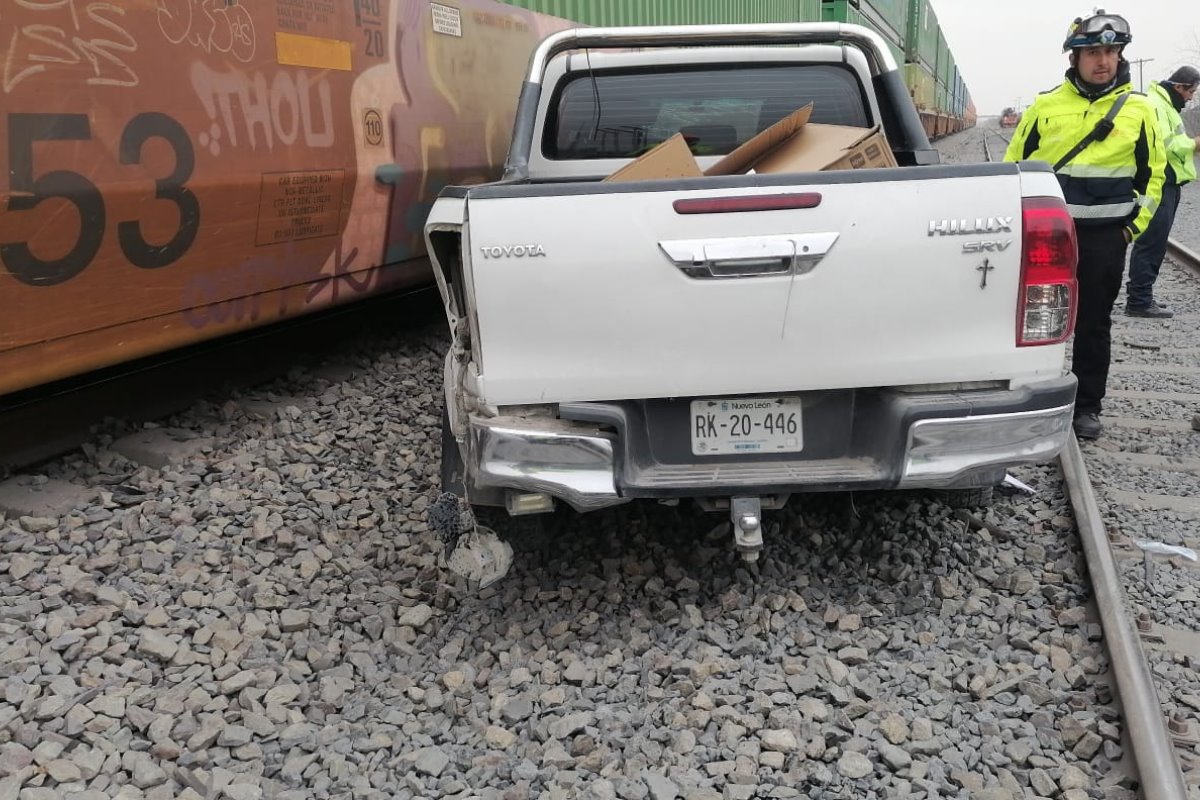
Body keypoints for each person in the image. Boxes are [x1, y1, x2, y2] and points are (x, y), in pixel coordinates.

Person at [1005, 10, 1165, 441]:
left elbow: (1153, 177)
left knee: (1094, 323)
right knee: (1033, 317)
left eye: (1111, 51)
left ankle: (1086, 407)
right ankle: (1025, 397)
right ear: (1074, 58)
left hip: (1104, 239)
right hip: (1048, 237)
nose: (1103, 61)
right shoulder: (1045, 106)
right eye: (1093, 51)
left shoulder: (1139, 109)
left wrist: (1131, 228)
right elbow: (1013, 167)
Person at [1125, 65, 1200, 318]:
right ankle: (1139, 300)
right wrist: (1194, 143)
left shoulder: (1165, 104)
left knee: (1156, 240)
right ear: (1179, 87)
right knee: (1152, 240)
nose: (1191, 97)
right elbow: (1166, 144)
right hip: (1160, 181)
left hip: (1169, 181)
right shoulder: (1157, 105)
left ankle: (1143, 297)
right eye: (1191, 91)